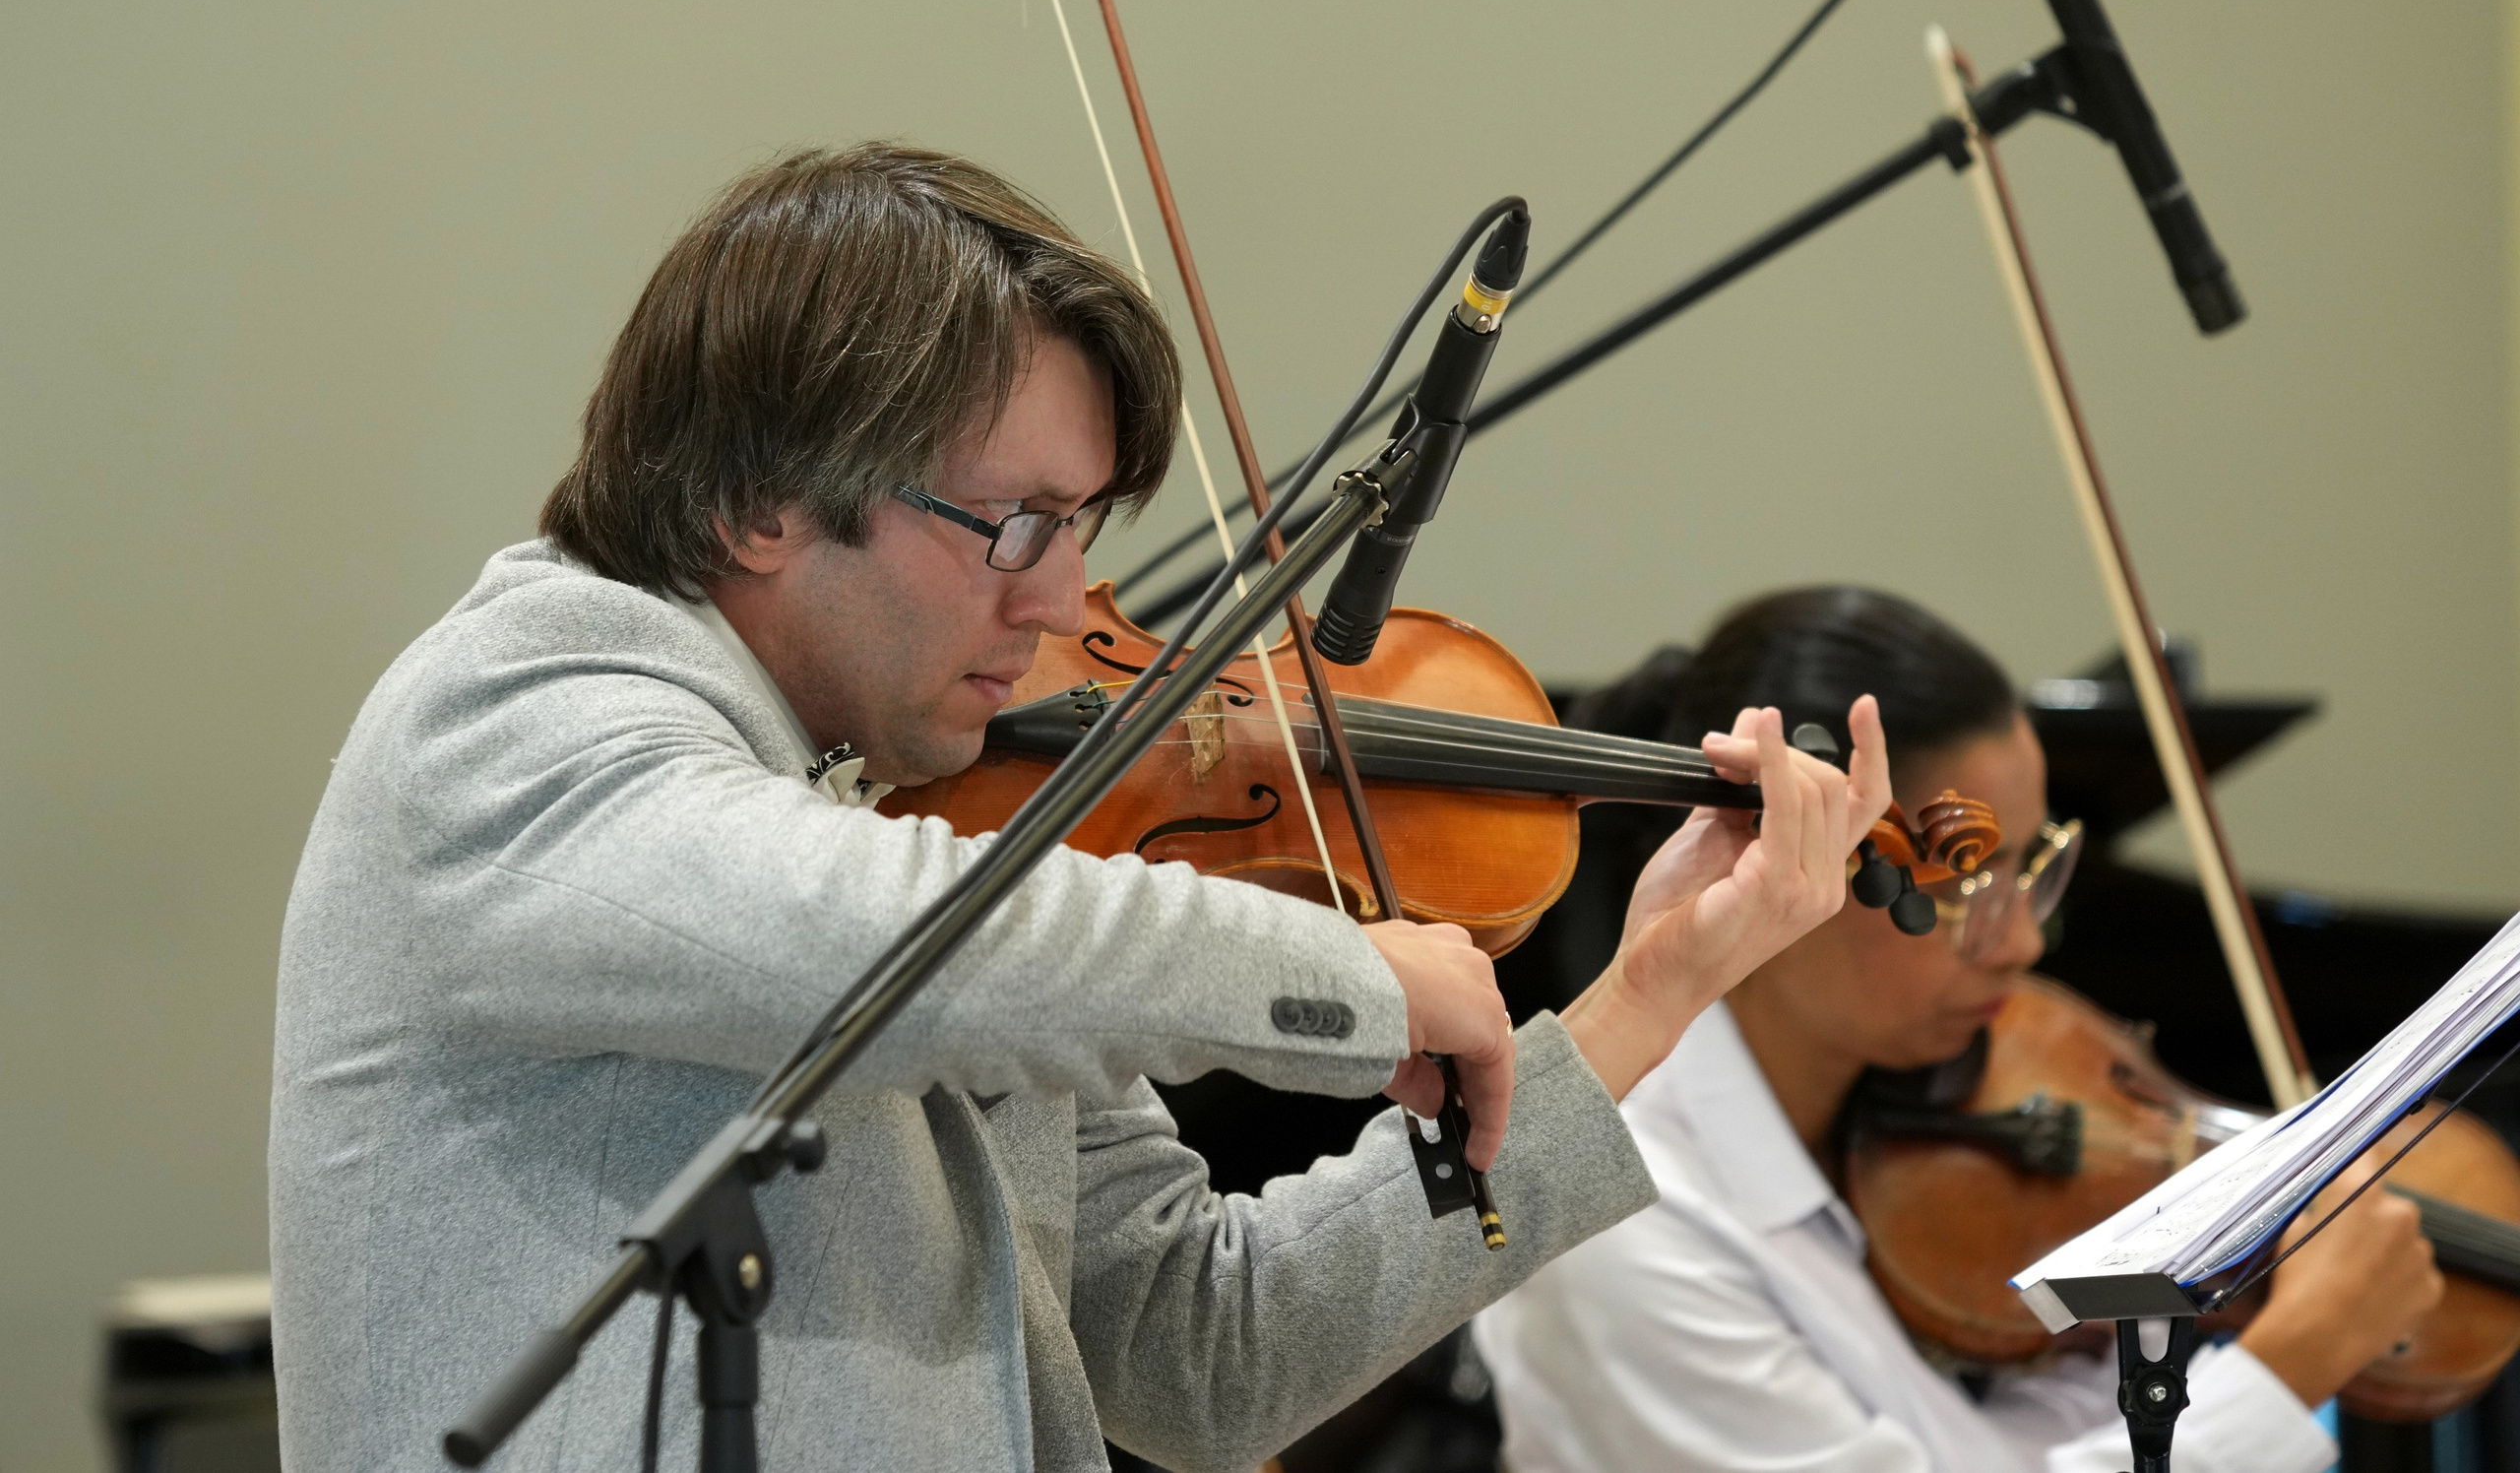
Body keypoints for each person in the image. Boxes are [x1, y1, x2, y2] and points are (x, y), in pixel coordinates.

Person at [267, 145, 1895, 1473]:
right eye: (1015, 523)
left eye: (1081, 524)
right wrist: (1358, 980)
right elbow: (885, 942)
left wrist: (1653, 989)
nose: (1067, 603)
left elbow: (1206, 1351)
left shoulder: (951, 839)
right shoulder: (518, 722)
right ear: (758, 503)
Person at [1475, 586, 2446, 1473]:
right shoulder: (1615, 1222)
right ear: (1787, 857)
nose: (2021, 941)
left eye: (2034, 869)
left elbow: (2000, 1448)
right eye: (1964, 884)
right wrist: (2287, 1365)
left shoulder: (1917, 1134)